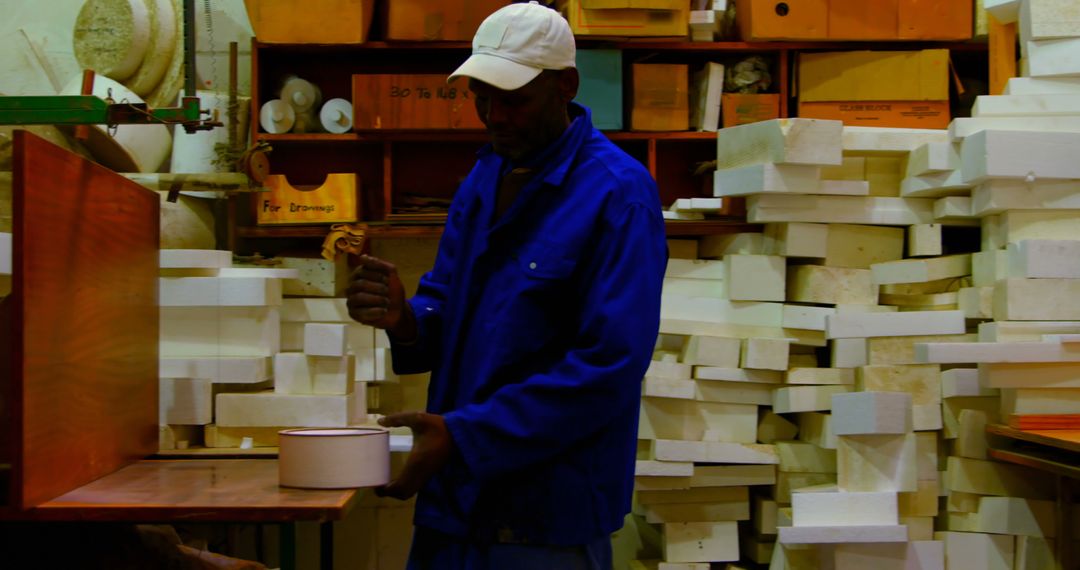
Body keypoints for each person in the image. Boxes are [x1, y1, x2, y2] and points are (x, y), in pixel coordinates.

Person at [346, 2, 667, 568]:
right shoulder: (486, 174)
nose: (493, 116)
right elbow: (447, 297)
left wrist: (466, 435)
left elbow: (609, 365)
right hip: (456, 503)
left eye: (513, 100)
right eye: (481, 97)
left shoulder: (619, 195)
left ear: (565, 85)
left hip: (548, 515)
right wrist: (406, 318)